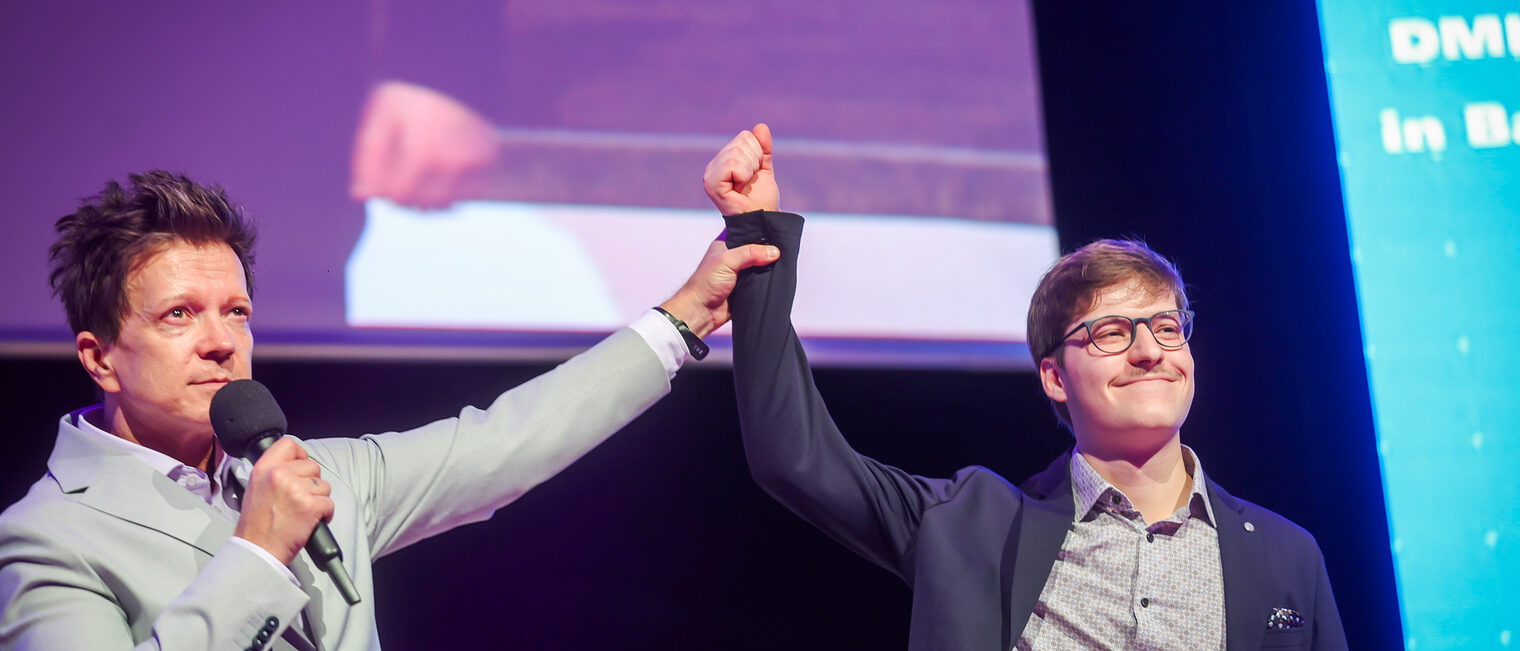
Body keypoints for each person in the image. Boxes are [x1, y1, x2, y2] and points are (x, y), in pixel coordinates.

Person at [0, 170, 779, 650]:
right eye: (179, 315)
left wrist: (685, 316)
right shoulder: (48, 538)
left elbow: (505, 442)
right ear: (99, 356)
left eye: (235, 312)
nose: (220, 342)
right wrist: (260, 556)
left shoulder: (315, 472)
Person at [706, 124, 1348, 650]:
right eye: (1112, 333)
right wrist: (758, 236)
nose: (1150, 350)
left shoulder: (1288, 559)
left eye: (1165, 327)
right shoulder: (972, 527)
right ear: (1054, 376)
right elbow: (793, 458)